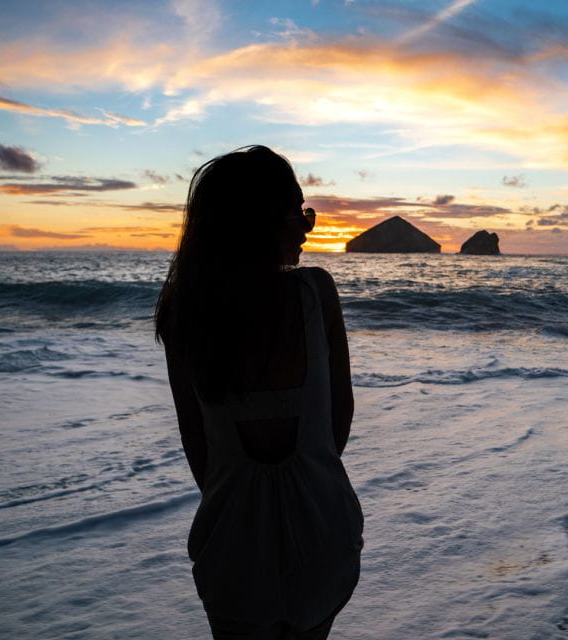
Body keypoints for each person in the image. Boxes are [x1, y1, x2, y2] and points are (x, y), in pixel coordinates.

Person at [155, 145, 363, 639]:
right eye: (300, 214)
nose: (306, 230)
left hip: (232, 548)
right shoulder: (316, 294)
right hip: (323, 532)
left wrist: (249, 503)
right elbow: (337, 422)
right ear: (265, 221)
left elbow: (200, 453)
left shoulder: (186, 312)